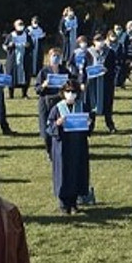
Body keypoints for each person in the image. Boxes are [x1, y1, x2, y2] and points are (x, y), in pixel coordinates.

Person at [47, 81, 94, 215]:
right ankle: (63, 203)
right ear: (63, 92)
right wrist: (57, 123)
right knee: (63, 173)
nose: (71, 94)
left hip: (78, 145)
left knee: (77, 172)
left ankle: (73, 203)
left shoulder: (82, 106)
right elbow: (49, 127)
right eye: (68, 91)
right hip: (62, 146)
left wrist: (89, 123)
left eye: (73, 92)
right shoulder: (57, 108)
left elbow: (89, 124)